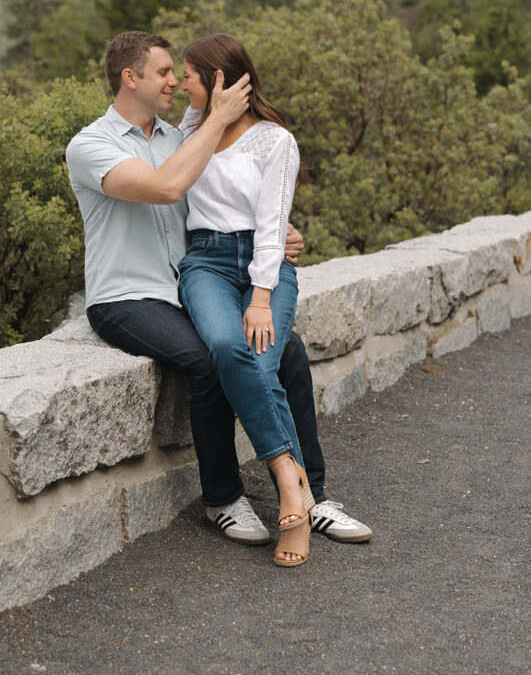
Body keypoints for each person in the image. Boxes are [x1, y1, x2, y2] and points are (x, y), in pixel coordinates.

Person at [66, 31, 371, 549]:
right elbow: (166, 187)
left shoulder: (176, 134)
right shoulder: (92, 145)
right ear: (130, 77)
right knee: (211, 360)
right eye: (164, 72)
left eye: (177, 73)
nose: (173, 81)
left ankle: (314, 495)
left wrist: (274, 234)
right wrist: (217, 119)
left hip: (184, 284)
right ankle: (224, 498)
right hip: (127, 296)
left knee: (289, 350)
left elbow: (225, 200)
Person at [178, 33, 317, 565]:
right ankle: (291, 478)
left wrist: (261, 297)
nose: (181, 85)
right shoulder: (189, 129)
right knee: (223, 344)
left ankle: (294, 506)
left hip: (267, 266)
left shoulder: (275, 141)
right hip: (206, 262)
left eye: (189, 74)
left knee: (262, 356)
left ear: (217, 78)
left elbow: (271, 225)